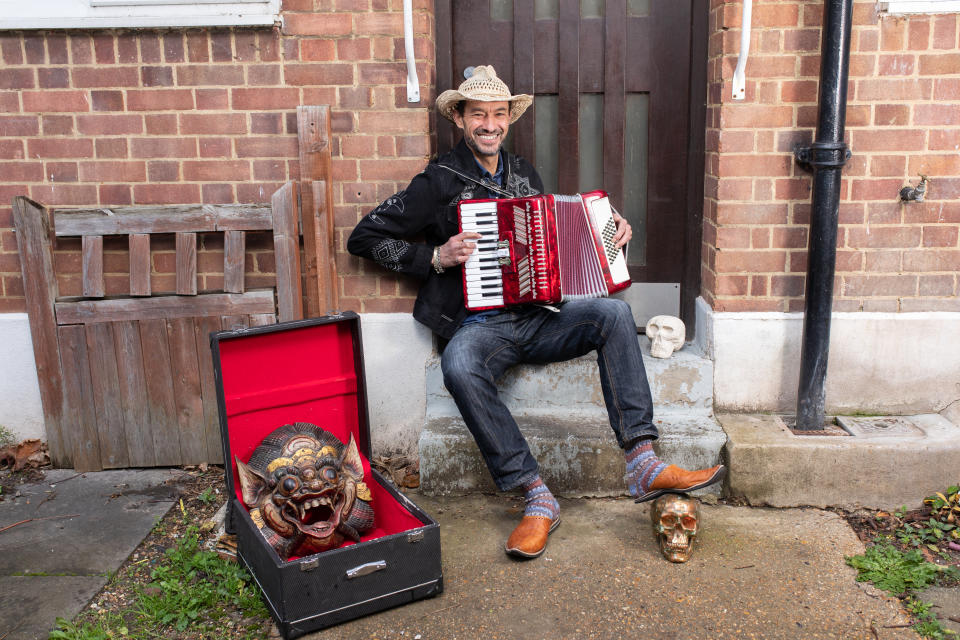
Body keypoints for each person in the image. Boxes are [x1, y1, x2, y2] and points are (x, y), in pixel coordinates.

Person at [347, 65, 724, 559]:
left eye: (499, 114)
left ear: (508, 120)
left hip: (538, 316)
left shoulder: (525, 173)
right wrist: (436, 257)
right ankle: (535, 495)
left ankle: (642, 462)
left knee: (610, 316)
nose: (489, 124)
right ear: (460, 119)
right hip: (479, 325)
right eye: (478, 114)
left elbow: (554, 247)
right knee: (459, 366)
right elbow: (364, 237)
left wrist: (610, 239)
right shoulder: (438, 181)